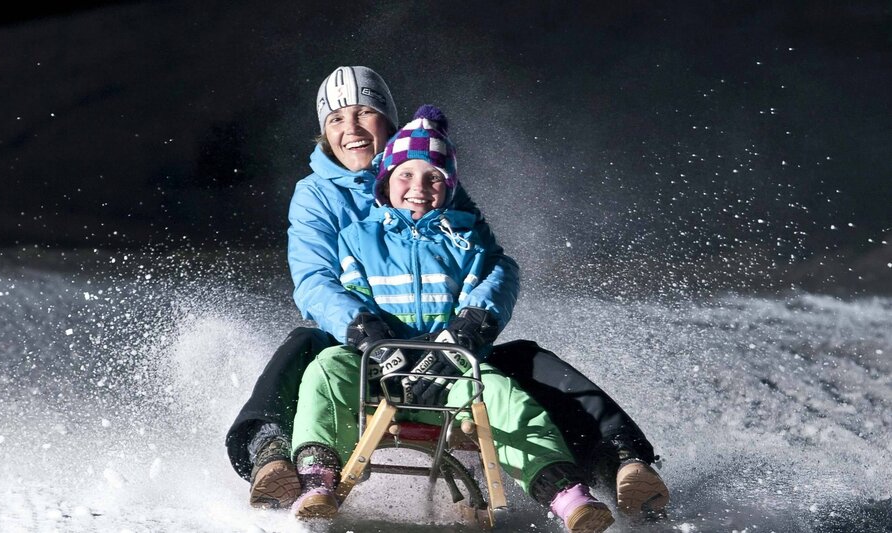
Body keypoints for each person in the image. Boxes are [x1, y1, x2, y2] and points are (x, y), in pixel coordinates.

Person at [225, 66, 668, 519]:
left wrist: (477, 319)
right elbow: (314, 278)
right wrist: (361, 327)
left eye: (364, 114)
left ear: (389, 121)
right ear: (323, 132)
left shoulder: (427, 170)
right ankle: (272, 453)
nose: (351, 130)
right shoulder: (317, 194)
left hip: (445, 339)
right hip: (361, 342)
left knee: (524, 363)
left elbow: (492, 260)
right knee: (307, 350)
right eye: (336, 119)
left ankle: (618, 459)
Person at [288, 104, 615, 532]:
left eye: (433, 178)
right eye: (405, 175)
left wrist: (462, 335)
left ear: (450, 186)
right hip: (379, 371)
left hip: (451, 374)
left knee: (503, 395)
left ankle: (564, 491)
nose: (418, 187)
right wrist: (369, 335)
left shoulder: (465, 241)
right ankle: (317, 476)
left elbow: (492, 278)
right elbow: (345, 291)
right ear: (385, 184)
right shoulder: (358, 238)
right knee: (326, 371)